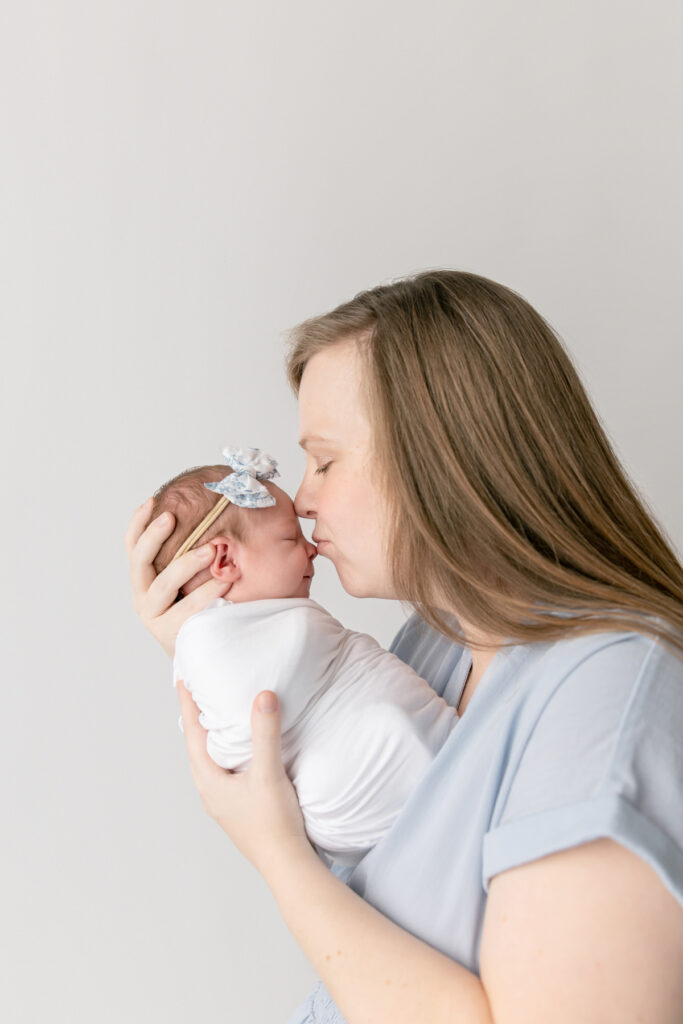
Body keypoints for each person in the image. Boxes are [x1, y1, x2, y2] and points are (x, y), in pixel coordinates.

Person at [126, 270, 683, 1023]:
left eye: (324, 460)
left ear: (444, 455)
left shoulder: (605, 701)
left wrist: (277, 854)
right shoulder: (439, 642)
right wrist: (210, 639)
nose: (306, 498)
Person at [152, 447, 457, 867]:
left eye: (326, 463)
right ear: (223, 559)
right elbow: (240, 739)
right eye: (290, 538)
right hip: (365, 790)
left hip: (418, 777)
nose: (311, 547)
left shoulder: (433, 636)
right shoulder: (209, 645)